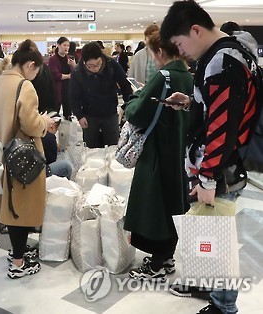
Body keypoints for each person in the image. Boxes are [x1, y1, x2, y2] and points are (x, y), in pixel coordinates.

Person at [161, 1, 259, 313]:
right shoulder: (229, 53)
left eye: (179, 43)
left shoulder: (222, 61)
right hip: (223, 166)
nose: (181, 51)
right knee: (214, 238)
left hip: (221, 170)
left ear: (195, 30)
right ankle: (215, 296)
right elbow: (221, 111)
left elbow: (222, 127)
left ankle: (224, 306)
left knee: (217, 241)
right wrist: (192, 102)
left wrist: (207, 177)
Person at [123, 30, 193, 281]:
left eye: (152, 53)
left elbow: (137, 113)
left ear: (160, 52)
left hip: (156, 150)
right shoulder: (187, 76)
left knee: (154, 207)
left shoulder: (163, 76)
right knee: (173, 203)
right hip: (179, 151)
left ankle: (156, 265)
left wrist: (133, 98)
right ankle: (167, 257)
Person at [0, 39, 53, 279]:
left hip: (3, 155)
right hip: (23, 157)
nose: (36, 75)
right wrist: (45, 123)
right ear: (30, 65)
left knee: (12, 208)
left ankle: (17, 252)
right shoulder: (24, 86)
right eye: (36, 70)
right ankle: (18, 262)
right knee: (21, 210)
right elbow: (31, 124)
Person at [70, 42, 133, 148]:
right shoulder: (77, 72)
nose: (95, 68)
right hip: (89, 115)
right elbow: (73, 96)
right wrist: (79, 116)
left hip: (110, 113)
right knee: (90, 148)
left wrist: (129, 106)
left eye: (98, 64)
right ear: (84, 62)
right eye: (91, 66)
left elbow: (125, 85)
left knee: (113, 146)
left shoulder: (111, 64)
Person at [48, 37, 76, 119]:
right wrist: (68, 76)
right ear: (58, 45)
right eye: (64, 45)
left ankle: (67, 130)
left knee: (68, 112)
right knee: (55, 113)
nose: (66, 47)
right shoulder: (53, 59)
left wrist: (74, 65)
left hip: (68, 88)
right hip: (57, 88)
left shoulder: (69, 58)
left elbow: (76, 73)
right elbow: (55, 75)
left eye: (68, 45)